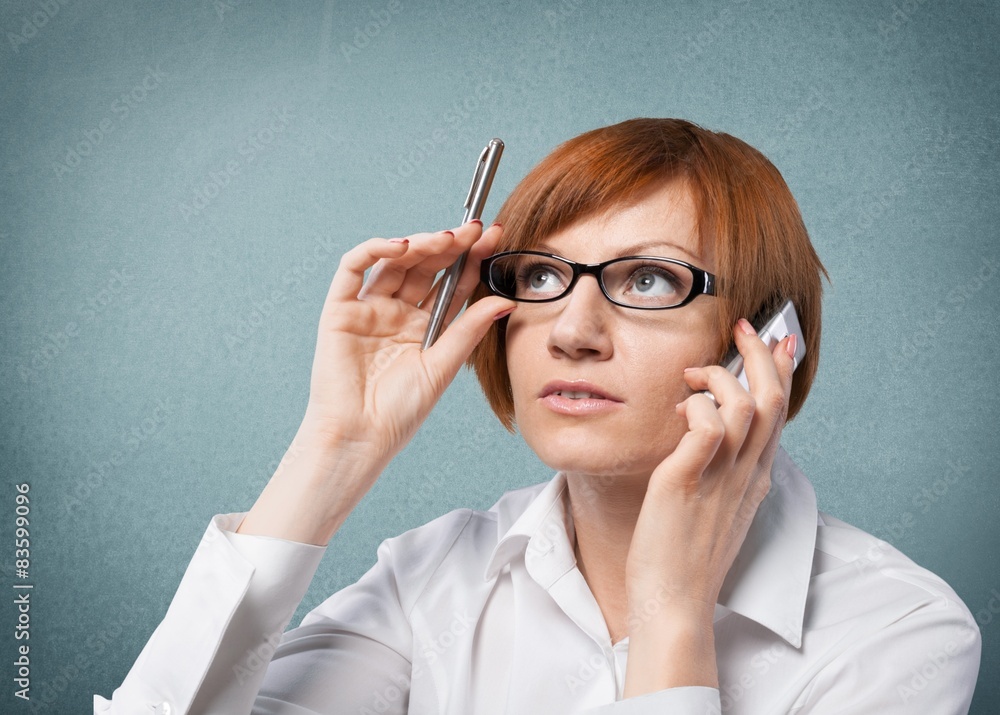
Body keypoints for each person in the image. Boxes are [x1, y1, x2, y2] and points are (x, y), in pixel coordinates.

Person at [94, 118, 981, 714]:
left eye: (648, 280)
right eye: (542, 276)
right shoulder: (436, 576)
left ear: (770, 343)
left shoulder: (900, 630)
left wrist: (669, 614)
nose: (573, 332)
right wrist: (335, 447)